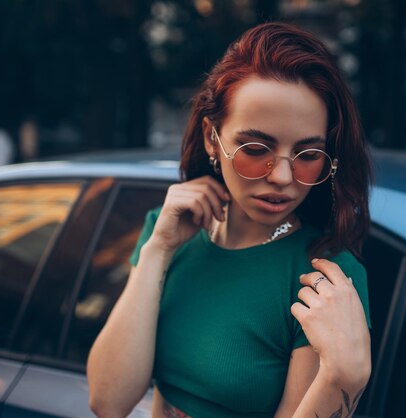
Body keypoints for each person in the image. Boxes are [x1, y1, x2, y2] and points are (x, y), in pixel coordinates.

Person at [87, 22, 372, 418]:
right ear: (211, 138)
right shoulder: (170, 231)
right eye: (256, 148)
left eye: (308, 155)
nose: (282, 177)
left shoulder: (324, 276)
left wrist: (342, 378)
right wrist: (158, 251)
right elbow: (107, 400)